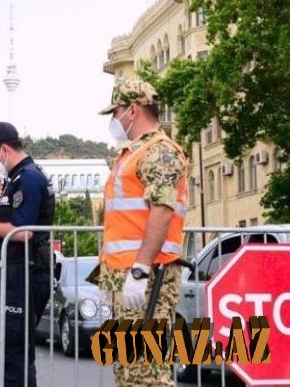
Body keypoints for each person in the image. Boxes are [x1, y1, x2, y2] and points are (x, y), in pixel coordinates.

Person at [97, 80, 188, 387]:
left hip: (149, 276)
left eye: (117, 112)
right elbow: (121, 223)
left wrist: (140, 269)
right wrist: (106, 276)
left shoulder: (160, 151)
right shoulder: (130, 155)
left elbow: (162, 210)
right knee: (128, 369)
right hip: (126, 276)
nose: (114, 119)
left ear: (133, 110)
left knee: (146, 371)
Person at [0, 121, 55, 387]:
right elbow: (14, 218)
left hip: (25, 272)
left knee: (13, 353)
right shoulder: (15, 179)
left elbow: (23, 231)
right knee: (6, 352)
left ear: (4, 149)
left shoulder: (28, 178)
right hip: (15, 271)